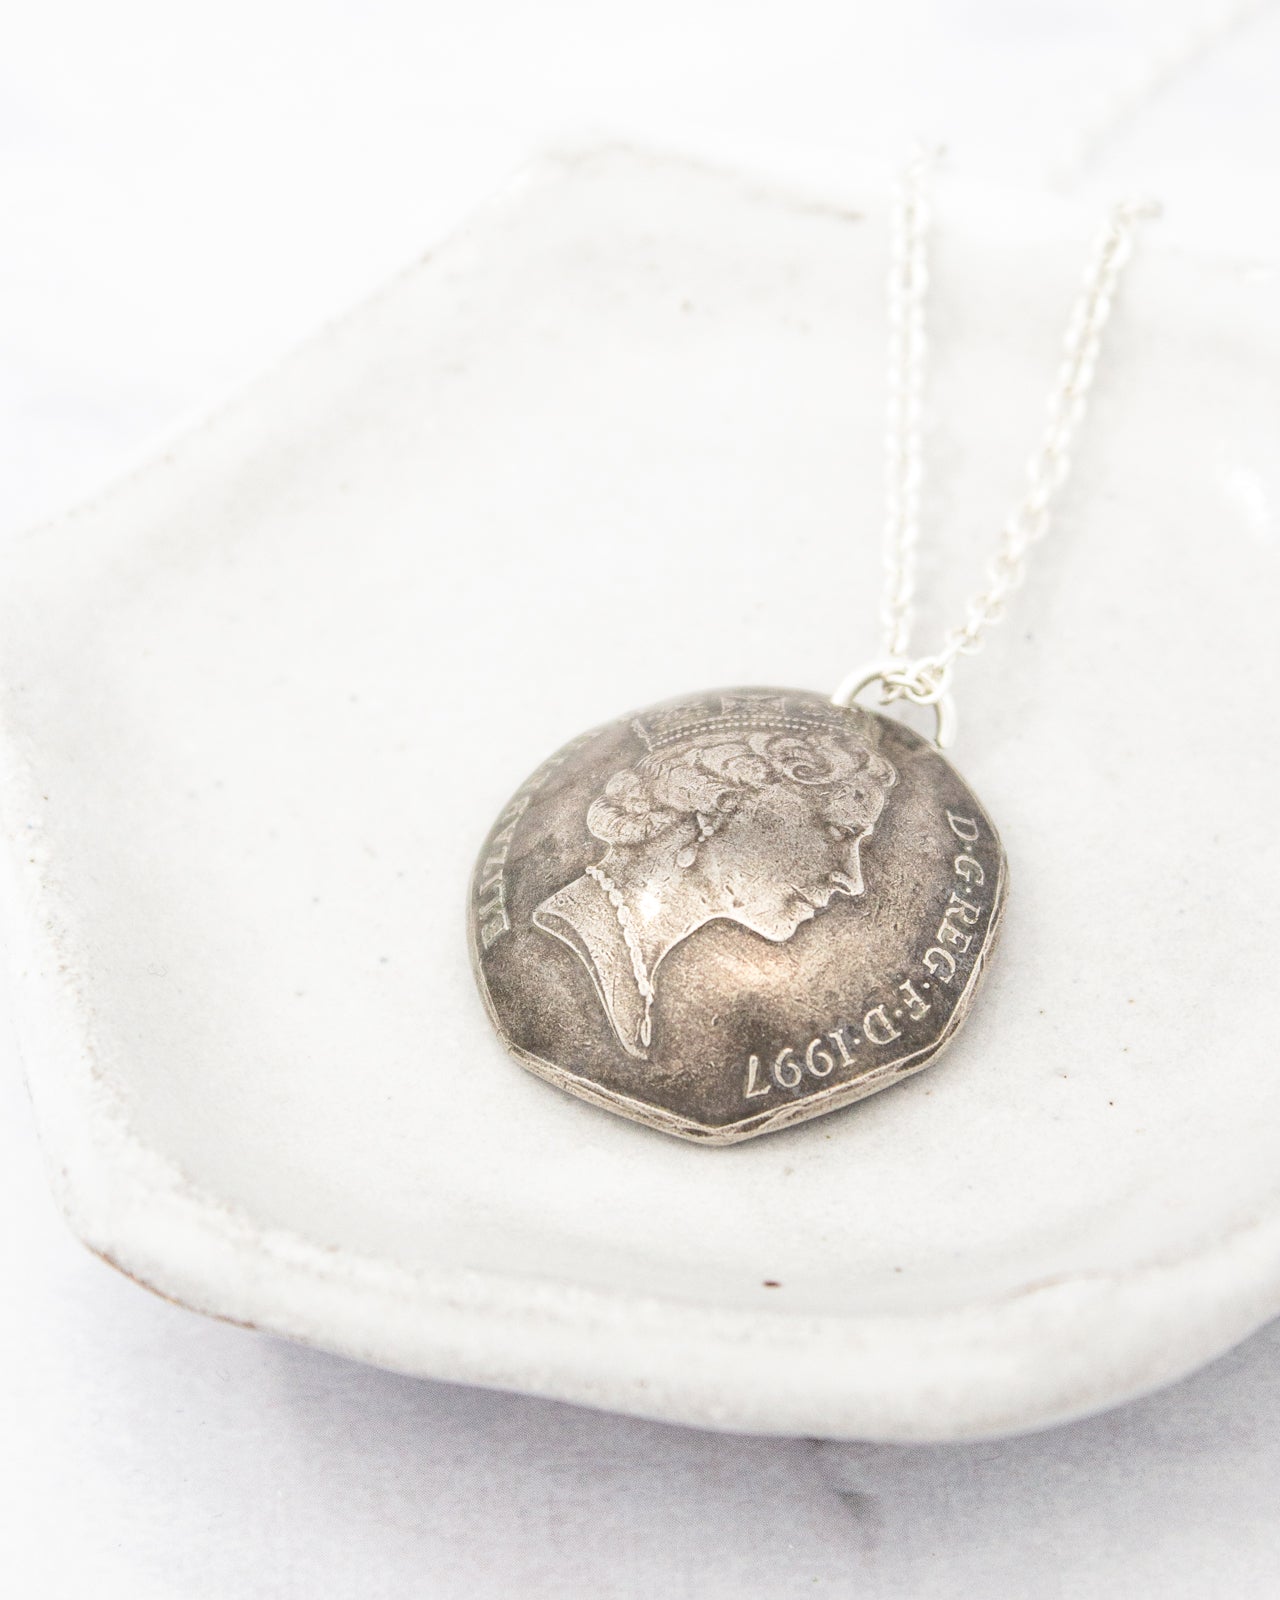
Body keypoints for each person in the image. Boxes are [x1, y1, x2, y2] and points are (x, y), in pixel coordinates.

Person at [533, 694, 896, 1059]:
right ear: (717, 805)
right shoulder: (572, 933)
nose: (852, 880)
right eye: (838, 831)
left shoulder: (638, 962)